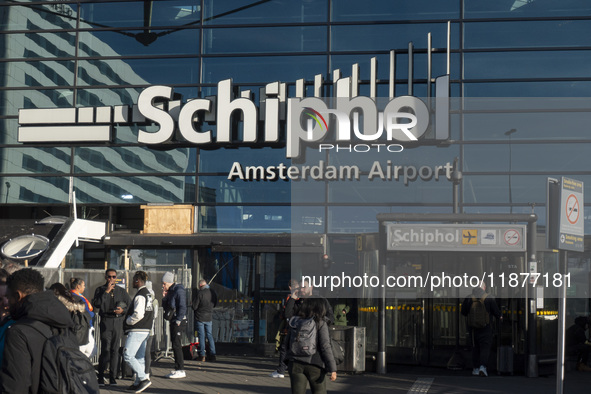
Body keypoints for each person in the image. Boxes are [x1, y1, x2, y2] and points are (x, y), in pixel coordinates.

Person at [0, 268, 74, 393]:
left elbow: (15, 387)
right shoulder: (63, 323)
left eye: (8, 297)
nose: (7, 303)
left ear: (18, 296)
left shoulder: (18, 332)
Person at [286, 297, 337, 394]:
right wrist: (332, 368)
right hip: (315, 364)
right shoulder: (320, 322)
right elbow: (325, 346)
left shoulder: (295, 321)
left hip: (295, 363)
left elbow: (287, 342)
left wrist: (287, 361)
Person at [92, 268, 131, 386]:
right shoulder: (100, 290)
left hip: (117, 321)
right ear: (105, 277)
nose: (111, 279)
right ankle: (101, 376)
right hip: (106, 321)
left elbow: (129, 305)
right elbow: (97, 304)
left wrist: (122, 311)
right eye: (109, 276)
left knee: (115, 350)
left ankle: (113, 377)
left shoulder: (121, 291)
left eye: (114, 277)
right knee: (105, 349)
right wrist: (107, 291)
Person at [461, 281, 502, 377]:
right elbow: (497, 312)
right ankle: (483, 367)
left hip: (473, 329)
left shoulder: (469, 298)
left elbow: (463, 312)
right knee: (485, 347)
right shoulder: (489, 298)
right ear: (484, 287)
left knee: (475, 348)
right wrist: (500, 317)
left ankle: (475, 368)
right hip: (486, 328)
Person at [122, 271, 154, 393]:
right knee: (139, 357)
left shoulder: (140, 295)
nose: (132, 282)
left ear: (137, 280)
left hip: (137, 329)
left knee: (128, 355)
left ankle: (143, 378)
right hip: (145, 329)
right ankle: (138, 382)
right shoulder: (148, 294)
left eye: (134, 279)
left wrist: (128, 321)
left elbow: (138, 314)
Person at [49, 282, 93, 356]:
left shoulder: (56, 304)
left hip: (61, 338)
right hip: (77, 334)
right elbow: (90, 314)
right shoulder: (76, 301)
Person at [270, 278, 299, 378]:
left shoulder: (292, 297)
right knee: (288, 348)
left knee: (285, 348)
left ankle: (281, 370)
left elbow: (287, 313)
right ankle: (284, 370)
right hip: (294, 326)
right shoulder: (298, 297)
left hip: (292, 326)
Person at [162, 271, 188, 379]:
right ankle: (177, 368)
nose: (163, 286)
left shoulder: (178, 290)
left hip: (178, 321)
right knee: (174, 344)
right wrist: (164, 297)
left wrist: (179, 319)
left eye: (164, 284)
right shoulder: (171, 291)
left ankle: (181, 369)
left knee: (177, 345)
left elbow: (182, 306)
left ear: (168, 282)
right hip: (173, 320)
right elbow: (167, 307)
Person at [192, 279, 218, 362]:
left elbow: (194, 307)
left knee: (202, 336)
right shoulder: (212, 292)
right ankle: (213, 354)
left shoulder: (200, 293)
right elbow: (215, 303)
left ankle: (202, 355)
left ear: (200, 286)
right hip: (209, 317)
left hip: (200, 317)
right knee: (209, 335)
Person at [144, 280, 158, 378]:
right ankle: (147, 371)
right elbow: (156, 315)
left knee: (140, 351)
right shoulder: (154, 300)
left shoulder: (141, 296)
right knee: (147, 351)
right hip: (150, 330)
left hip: (140, 329)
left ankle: (139, 372)